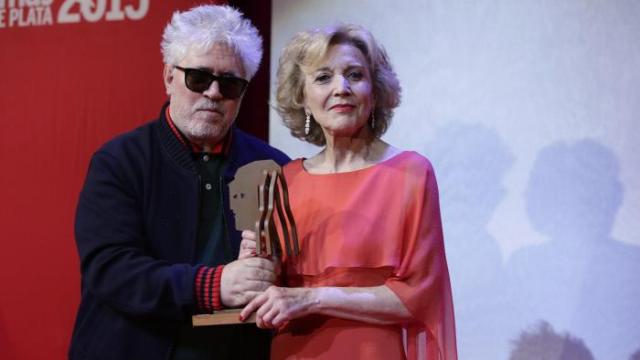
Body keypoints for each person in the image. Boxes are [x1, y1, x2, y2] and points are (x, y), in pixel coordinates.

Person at [69, 5, 289, 360]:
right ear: (169, 76)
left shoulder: (275, 167)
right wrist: (215, 285)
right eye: (199, 78)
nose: (214, 93)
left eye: (230, 83)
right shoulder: (118, 161)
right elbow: (111, 270)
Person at [238, 24, 458, 359]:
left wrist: (313, 297)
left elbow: (421, 296)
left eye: (354, 75)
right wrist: (253, 263)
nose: (341, 88)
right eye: (323, 77)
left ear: (375, 91)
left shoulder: (410, 173)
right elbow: (264, 294)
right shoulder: (282, 180)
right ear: (303, 97)